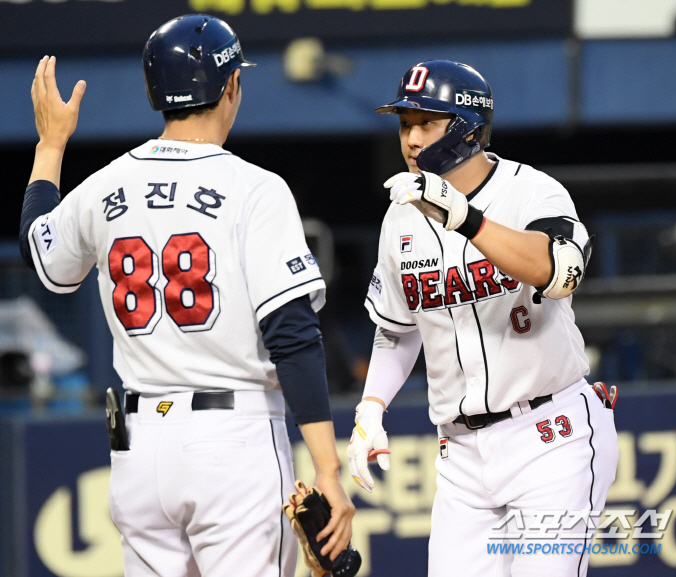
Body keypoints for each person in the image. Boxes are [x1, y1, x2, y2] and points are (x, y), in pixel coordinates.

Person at [19, 14, 354, 577]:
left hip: (139, 449)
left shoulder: (104, 184)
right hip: (233, 441)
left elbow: (41, 253)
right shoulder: (256, 189)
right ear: (230, 87)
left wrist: (51, 143)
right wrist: (327, 470)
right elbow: (292, 334)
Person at [346, 60, 618, 576]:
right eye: (405, 124)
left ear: (467, 127)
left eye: (427, 122)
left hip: (548, 433)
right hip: (462, 454)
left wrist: (466, 218)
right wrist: (371, 408)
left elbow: (558, 273)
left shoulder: (531, 190)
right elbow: (397, 331)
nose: (411, 137)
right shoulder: (399, 214)